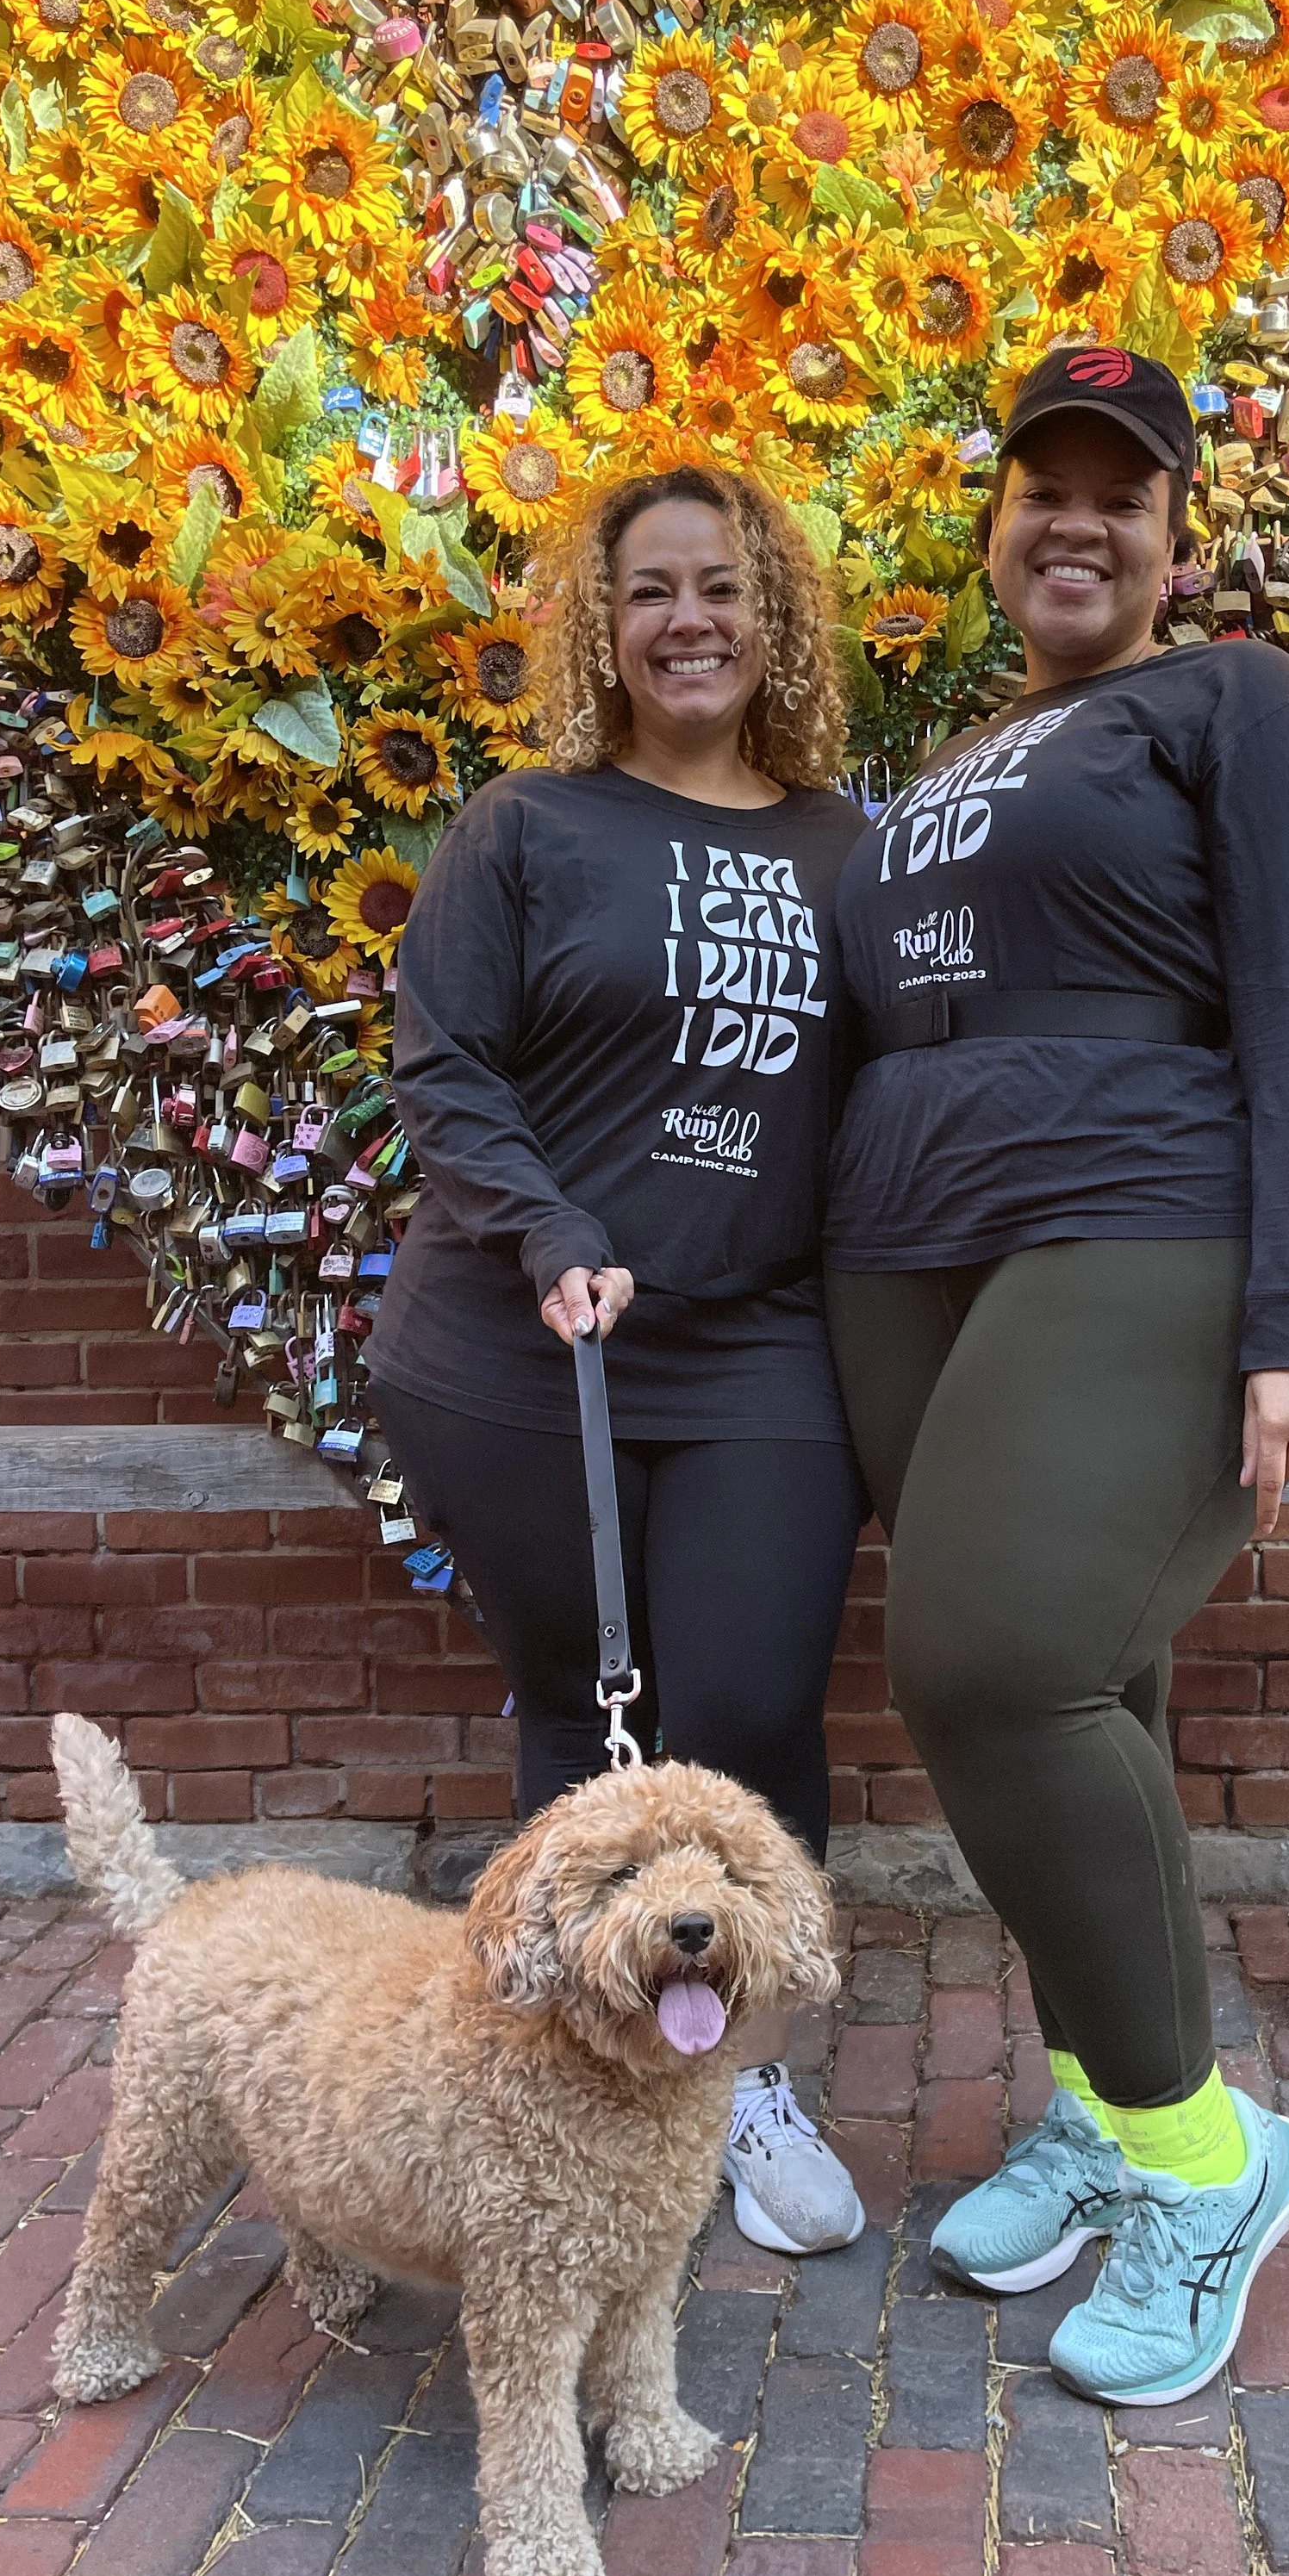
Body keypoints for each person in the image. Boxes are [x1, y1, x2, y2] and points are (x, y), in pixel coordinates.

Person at [823, 347, 1289, 2402]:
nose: (1073, 518)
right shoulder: (951, 753)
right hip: (915, 1251)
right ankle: (1092, 2103)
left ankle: (1204, 2158)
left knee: (989, 1666)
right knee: (1090, 1697)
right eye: (1036, 486)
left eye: (1115, 491)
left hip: (1136, 1214)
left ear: (1171, 541)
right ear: (991, 527)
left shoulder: (1232, 703)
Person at [370, 463, 870, 2256]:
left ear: (774, 615)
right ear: (606, 623)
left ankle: (734, 2075)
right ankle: (570, 2087)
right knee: (583, 1716)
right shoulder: (526, 830)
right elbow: (445, 1064)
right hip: (525, 1344)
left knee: (737, 1711)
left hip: (754, 1350)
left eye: (722, 586)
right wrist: (550, 1226)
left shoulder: (843, 847)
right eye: (651, 589)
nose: (688, 620)